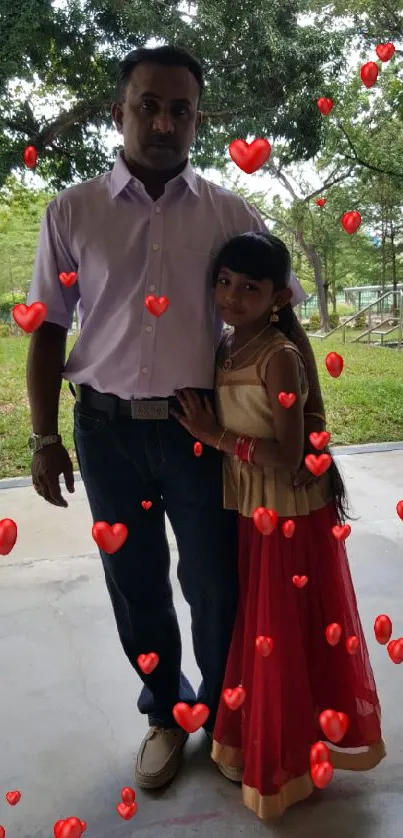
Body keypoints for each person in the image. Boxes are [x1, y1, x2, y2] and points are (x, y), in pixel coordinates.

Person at [26, 45, 327, 791]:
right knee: (134, 580)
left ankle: (225, 719)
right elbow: (48, 328)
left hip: (201, 431)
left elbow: (277, 316)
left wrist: (303, 422)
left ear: (198, 117)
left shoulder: (228, 212)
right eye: (148, 106)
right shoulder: (74, 211)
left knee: (215, 580)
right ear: (118, 111)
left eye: (180, 109)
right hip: (106, 431)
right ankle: (167, 712)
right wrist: (42, 436)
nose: (164, 122)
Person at [170, 231, 386, 820]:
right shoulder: (228, 348)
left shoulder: (278, 356)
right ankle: (272, 744)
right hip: (253, 507)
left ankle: (285, 762)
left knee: (280, 635)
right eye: (224, 282)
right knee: (264, 628)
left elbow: (289, 456)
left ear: (277, 298)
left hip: (288, 512)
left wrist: (212, 435)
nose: (231, 296)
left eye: (249, 287)